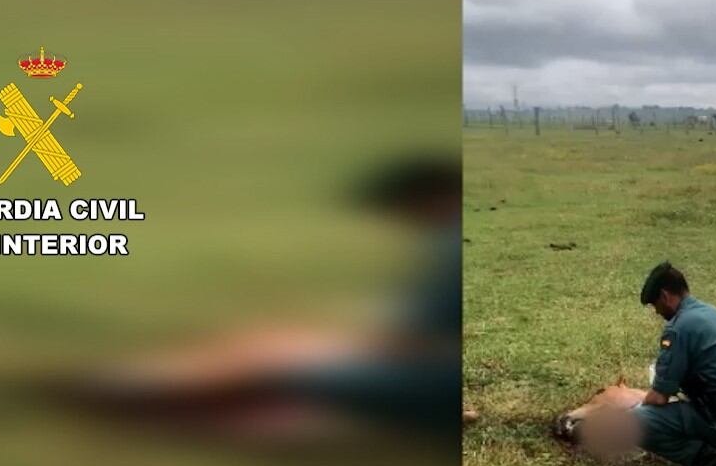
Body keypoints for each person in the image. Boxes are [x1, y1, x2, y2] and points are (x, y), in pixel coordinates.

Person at [70, 154, 465, 441]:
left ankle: (121, 394)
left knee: (272, 352)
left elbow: (407, 341)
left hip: (433, 388)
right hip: (440, 383)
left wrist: (342, 345)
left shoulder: (452, 246)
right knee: (287, 352)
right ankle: (131, 394)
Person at [634, 262, 716, 466]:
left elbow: (660, 396)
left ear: (665, 295)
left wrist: (639, 407)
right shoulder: (711, 311)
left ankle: (706, 459)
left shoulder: (678, 328)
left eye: (655, 305)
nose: (657, 312)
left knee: (634, 422)